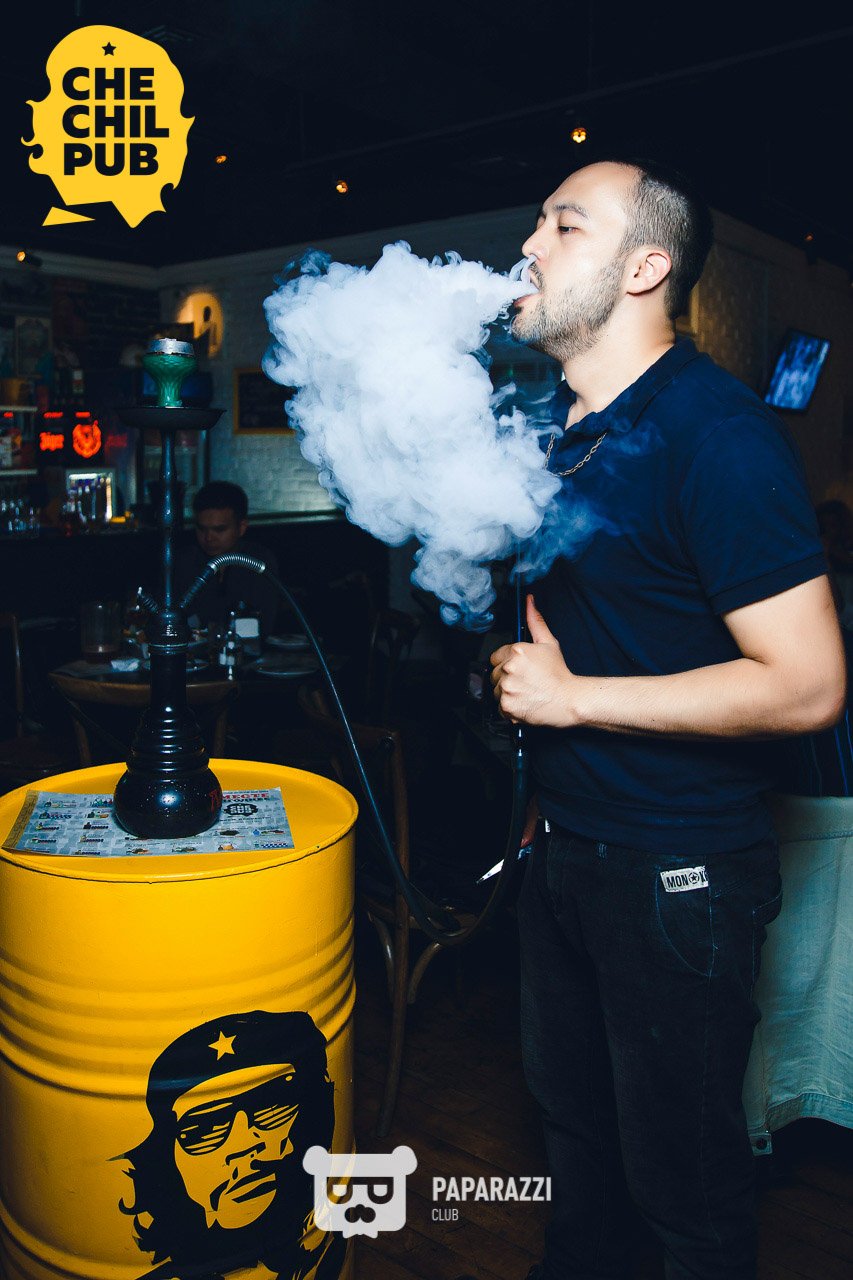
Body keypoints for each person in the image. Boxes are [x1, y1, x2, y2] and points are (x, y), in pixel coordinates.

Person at [489, 159, 845, 1280]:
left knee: (681, 1186)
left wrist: (572, 698)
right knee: (576, 1145)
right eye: (537, 222)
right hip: (564, 845)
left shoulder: (716, 434)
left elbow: (806, 685)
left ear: (645, 268)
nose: (529, 245)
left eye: (564, 225)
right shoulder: (555, 428)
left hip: (674, 873)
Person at [118, 1009, 345, 1280]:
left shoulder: (327, 1251)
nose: (244, 1145)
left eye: (271, 1108)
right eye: (205, 1130)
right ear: (166, 1158)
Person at [175, 481, 280, 636]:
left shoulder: (259, 562)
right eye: (202, 529)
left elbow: (264, 625)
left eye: (219, 529)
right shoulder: (184, 561)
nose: (208, 537)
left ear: (241, 527)